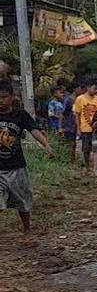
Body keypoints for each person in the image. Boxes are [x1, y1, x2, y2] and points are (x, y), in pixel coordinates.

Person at [0, 81, 54, 235]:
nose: (1, 100)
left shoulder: (20, 115)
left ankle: (27, 229)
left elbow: (34, 130)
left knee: (23, 202)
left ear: (12, 97)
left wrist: (46, 145)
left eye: (4, 97)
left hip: (16, 166)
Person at [71, 82, 97, 169]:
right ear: (88, 87)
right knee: (86, 149)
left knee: (96, 148)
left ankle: (95, 166)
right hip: (85, 129)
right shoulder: (80, 99)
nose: (96, 91)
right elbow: (77, 114)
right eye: (94, 88)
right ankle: (87, 165)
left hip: (96, 129)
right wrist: (78, 129)